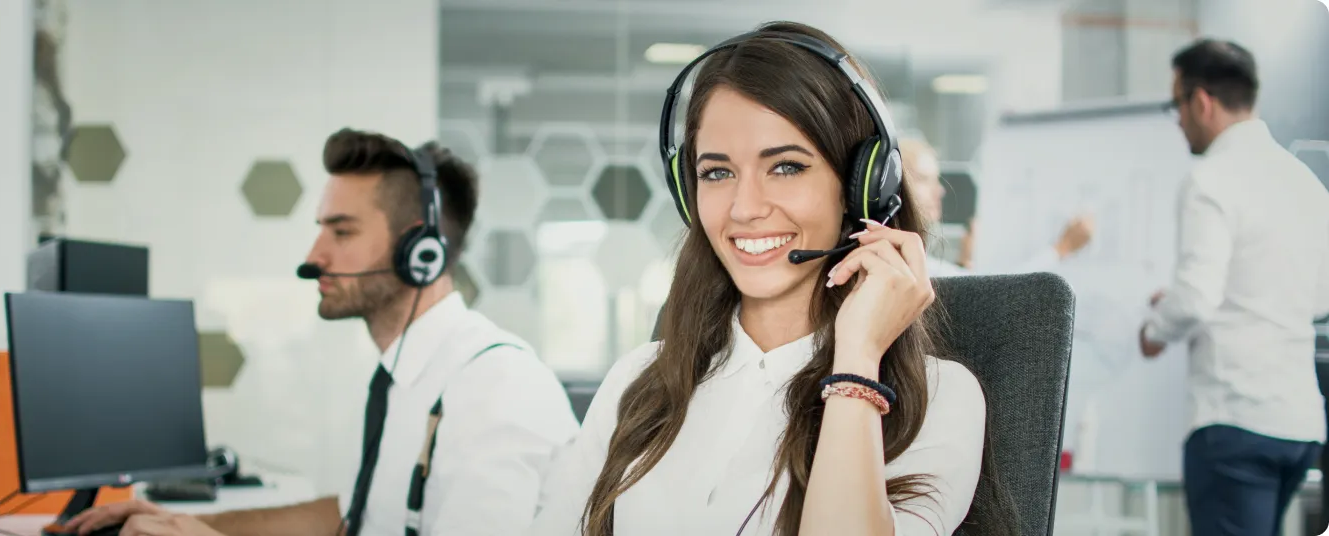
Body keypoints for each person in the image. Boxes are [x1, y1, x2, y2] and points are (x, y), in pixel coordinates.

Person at [529, 22, 1016, 536]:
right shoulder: (638, 382)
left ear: (861, 187)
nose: (745, 208)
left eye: (785, 167)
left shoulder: (939, 401)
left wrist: (856, 361)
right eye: (717, 172)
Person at [62, 129, 581, 536]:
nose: (314, 257)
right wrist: (183, 523)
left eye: (342, 231)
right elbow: (355, 521)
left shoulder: (495, 387)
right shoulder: (408, 376)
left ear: (420, 253)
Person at [1139, 38, 1329, 536]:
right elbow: (1320, 298)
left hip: (1234, 419)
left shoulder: (1212, 178)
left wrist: (1155, 328)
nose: (1178, 119)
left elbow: (1198, 299)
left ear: (1200, 100)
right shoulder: (1304, 181)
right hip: (1299, 422)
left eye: (1176, 104)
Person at [897, 138, 1095, 276]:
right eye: (924, 179)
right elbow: (1000, 294)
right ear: (894, 185)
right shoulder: (904, 260)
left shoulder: (917, 257)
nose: (939, 191)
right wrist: (1062, 249)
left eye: (936, 180)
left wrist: (962, 264)